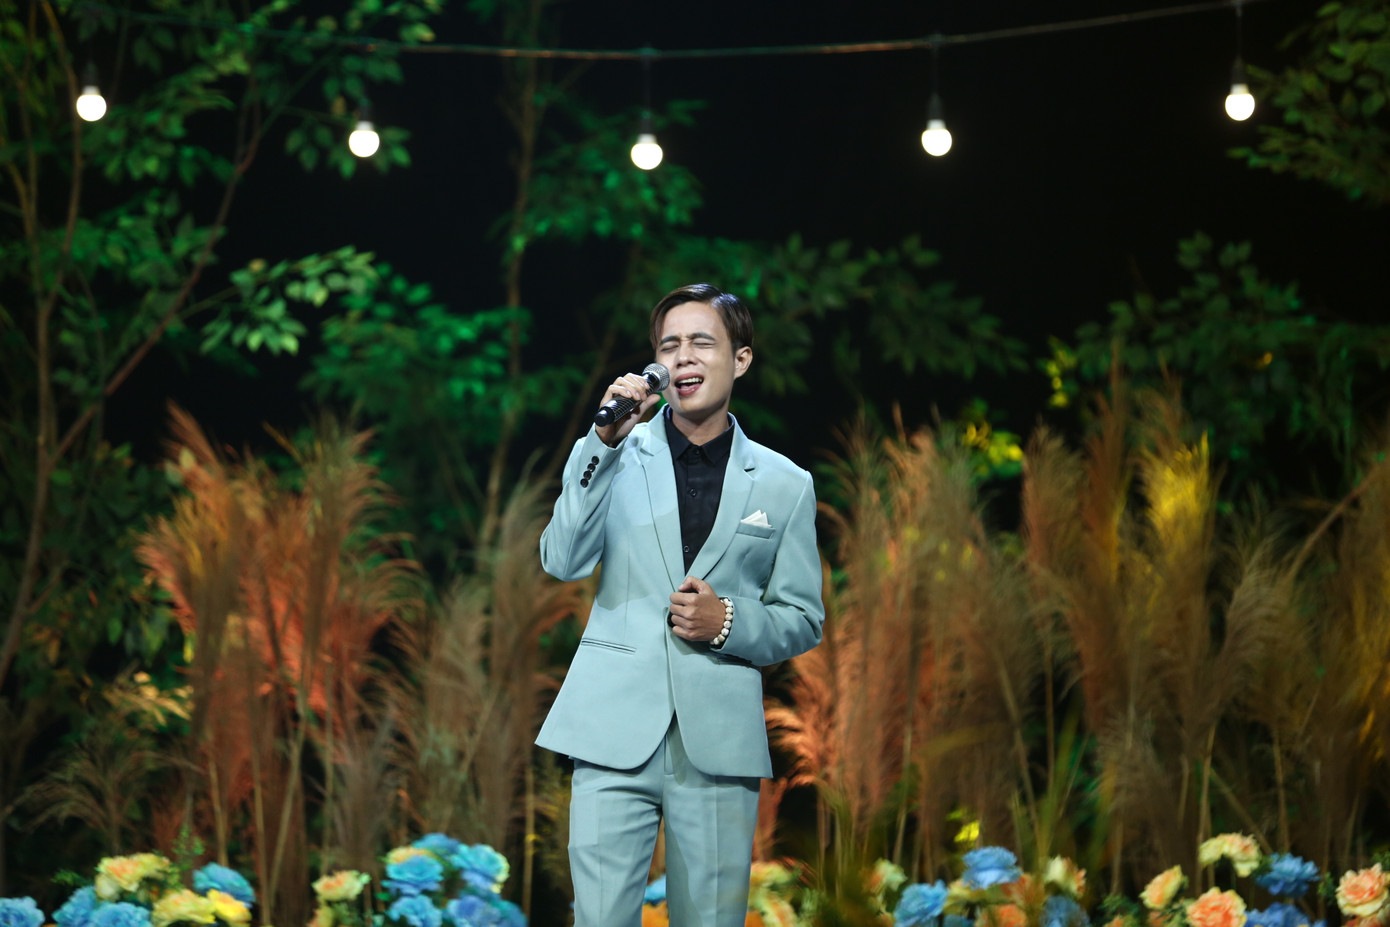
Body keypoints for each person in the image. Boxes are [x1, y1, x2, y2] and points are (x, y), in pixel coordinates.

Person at [536, 283, 825, 926]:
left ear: (741, 359)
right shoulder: (612, 454)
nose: (683, 356)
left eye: (701, 342)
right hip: (612, 728)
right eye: (669, 346)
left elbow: (804, 619)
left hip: (717, 742)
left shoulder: (785, 483)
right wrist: (602, 440)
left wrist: (728, 622)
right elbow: (561, 559)